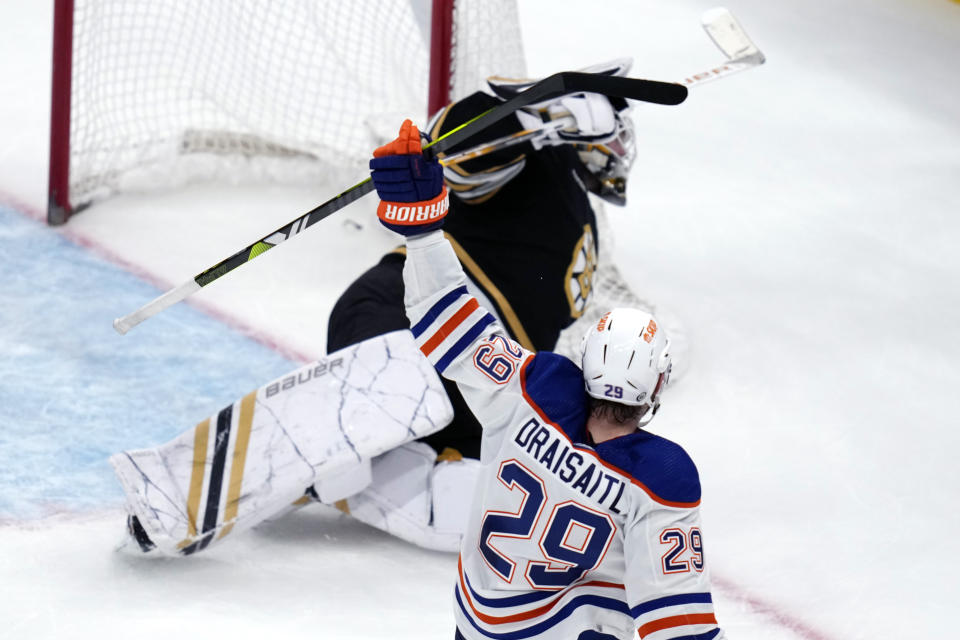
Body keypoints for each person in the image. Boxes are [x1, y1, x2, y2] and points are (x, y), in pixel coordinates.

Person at [115, 60, 662, 557]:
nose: (617, 147)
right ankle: (174, 495)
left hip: (478, 380)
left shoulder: (575, 205)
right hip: (405, 316)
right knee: (404, 381)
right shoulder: (536, 164)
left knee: (500, 500)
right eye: (614, 130)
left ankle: (337, 469)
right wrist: (535, 116)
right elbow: (451, 145)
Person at [370, 119, 725, 639]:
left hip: (477, 626)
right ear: (654, 389)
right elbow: (677, 623)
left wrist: (422, 232)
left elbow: (448, 320)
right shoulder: (661, 476)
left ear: (586, 359)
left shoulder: (531, 389)